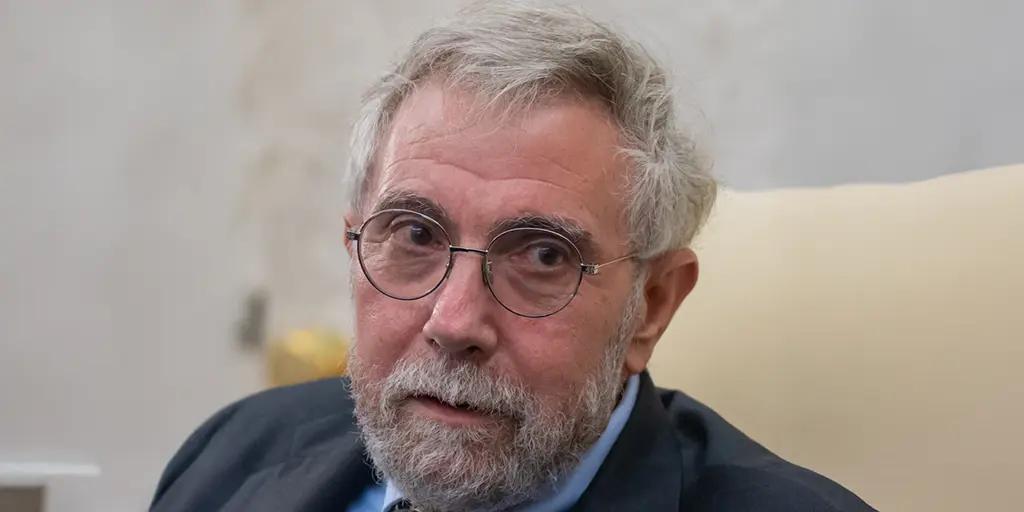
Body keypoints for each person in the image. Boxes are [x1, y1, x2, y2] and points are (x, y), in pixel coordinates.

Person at [151, 2, 874, 511]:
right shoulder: (232, 455)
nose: (453, 322)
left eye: (543, 256)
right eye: (415, 235)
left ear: (651, 305)